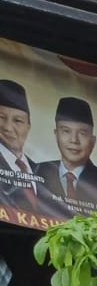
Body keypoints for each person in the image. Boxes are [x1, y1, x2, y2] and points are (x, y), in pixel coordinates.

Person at [38, 97, 97, 213]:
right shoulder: (37, 171)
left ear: (92, 141)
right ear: (56, 135)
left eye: (82, 133)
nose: (74, 140)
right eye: (66, 131)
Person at [0, 80, 64, 216]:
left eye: (17, 121)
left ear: (28, 126)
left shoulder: (44, 172)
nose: (7, 127)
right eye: (1, 117)